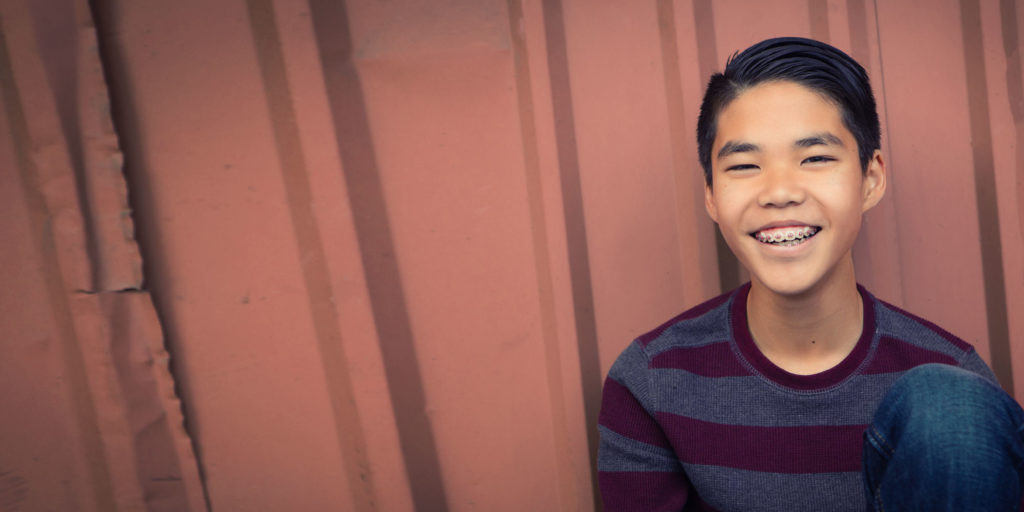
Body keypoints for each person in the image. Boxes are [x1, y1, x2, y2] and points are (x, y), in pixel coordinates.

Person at [596, 37, 1024, 512]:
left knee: (949, 408)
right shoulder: (652, 379)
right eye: (743, 165)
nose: (779, 192)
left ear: (871, 179)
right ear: (712, 196)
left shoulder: (953, 380)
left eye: (816, 158)